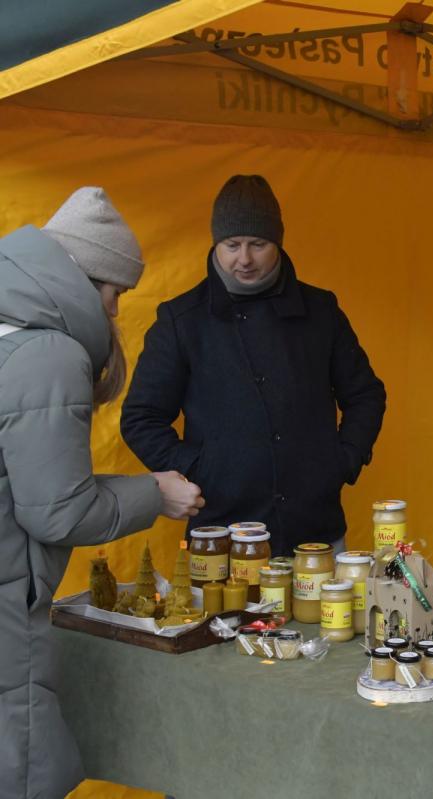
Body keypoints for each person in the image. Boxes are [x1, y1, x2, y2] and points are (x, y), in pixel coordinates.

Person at [0, 188, 205, 799]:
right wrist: (155, 495)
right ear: (83, 277)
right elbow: (58, 511)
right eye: (115, 294)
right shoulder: (49, 352)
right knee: (21, 770)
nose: (115, 311)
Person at [121, 175, 386, 556]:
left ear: (278, 242)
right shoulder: (182, 320)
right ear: (215, 243)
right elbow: (141, 417)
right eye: (232, 245)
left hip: (315, 530)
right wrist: (196, 468)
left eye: (258, 244)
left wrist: (343, 459)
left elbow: (365, 394)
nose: (244, 259)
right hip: (221, 534)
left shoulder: (321, 311)